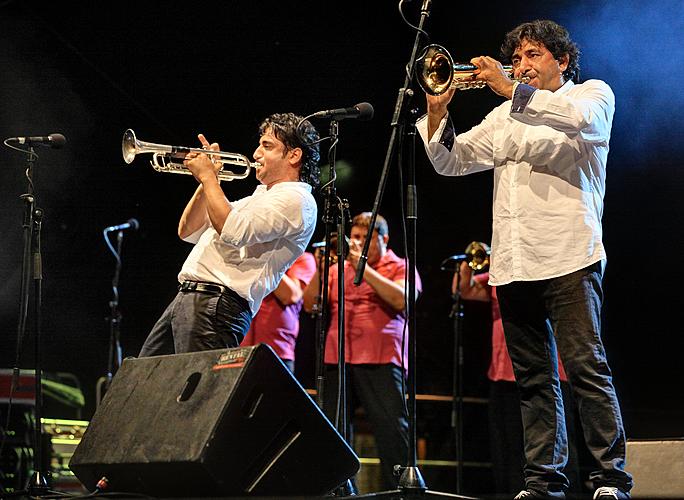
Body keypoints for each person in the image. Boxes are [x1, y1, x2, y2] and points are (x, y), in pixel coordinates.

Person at [417, 19, 632, 500]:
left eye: (532, 54)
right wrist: (437, 111)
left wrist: (510, 87)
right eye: (516, 58)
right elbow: (451, 160)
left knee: (585, 369)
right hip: (514, 262)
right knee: (533, 379)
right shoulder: (503, 116)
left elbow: (581, 124)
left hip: (569, 254)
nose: (521, 65)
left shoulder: (591, 94)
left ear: (563, 61)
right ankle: (543, 482)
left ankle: (610, 479)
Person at [138, 113, 320, 357]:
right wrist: (208, 181)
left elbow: (233, 231)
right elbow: (188, 230)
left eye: (267, 146)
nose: (256, 154)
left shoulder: (296, 199)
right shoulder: (256, 198)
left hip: (217, 305)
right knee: (146, 384)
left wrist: (209, 176)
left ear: (294, 155)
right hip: (190, 298)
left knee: (196, 394)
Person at [302, 212, 420, 490]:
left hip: (380, 355)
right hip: (337, 356)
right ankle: (341, 490)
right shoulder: (337, 269)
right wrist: (320, 270)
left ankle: (402, 489)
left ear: (384, 239)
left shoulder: (400, 266)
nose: (356, 243)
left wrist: (363, 267)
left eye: (364, 238)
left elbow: (402, 299)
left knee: (391, 428)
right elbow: (309, 305)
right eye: (354, 237)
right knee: (335, 430)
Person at [454, 259, 583, 497]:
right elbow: (464, 290)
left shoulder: (542, 269)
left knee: (558, 445)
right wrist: (467, 267)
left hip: (547, 373)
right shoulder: (500, 275)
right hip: (502, 372)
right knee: (508, 447)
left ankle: (566, 493)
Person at [240, 251, 317, 372]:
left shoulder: (301, 258)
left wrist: (264, 257)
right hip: (240, 349)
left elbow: (290, 295)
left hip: (277, 349)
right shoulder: (247, 253)